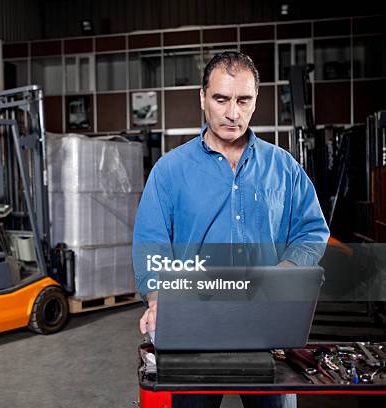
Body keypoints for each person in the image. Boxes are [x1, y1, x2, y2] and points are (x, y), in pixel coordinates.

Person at [132, 52, 329, 408]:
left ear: (256, 101)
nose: (232, 113)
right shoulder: (169, 171)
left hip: (268, 325)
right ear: (202, 98)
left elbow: (312, 231)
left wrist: (286, 274)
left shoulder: (283, 167)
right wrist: (159, 298)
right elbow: (152, 243)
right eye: (221, 99)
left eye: (243, 100)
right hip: (193, 323)